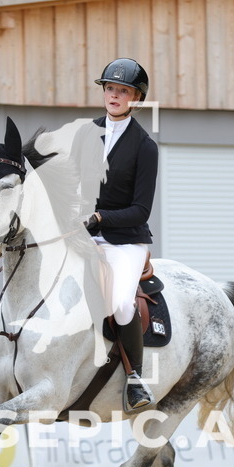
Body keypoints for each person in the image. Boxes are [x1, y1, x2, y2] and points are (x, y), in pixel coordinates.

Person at [83, 58, 157, 413]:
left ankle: (135, 379)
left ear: (136, 98)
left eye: (122, 90)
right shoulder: (85, 134)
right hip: (83, 232)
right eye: (109, 88)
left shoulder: (145, 146)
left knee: (122, 304)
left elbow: (141, 209)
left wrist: (99, 217)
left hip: (125, 239)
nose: (114, 95)